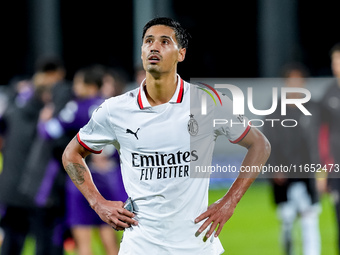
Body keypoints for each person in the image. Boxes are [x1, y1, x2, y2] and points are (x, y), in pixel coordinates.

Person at [62, 17, 271, 254]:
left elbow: (259, 145)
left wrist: (229, 201)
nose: (154, 46)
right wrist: (97, 203)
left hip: (197, 246)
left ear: (181, 54)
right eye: (148, 41)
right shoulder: (115, 110)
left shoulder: (206, 102)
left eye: (164, 41)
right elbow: (72, 154)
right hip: (140, 246)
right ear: (142, 52)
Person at [0, 56, 67, 255]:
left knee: (12, 241)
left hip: (11, 185)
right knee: (45, 242)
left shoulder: (15, 101)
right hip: (35, 188)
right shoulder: (46, 111)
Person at [263, 63, 321, 255]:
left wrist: (321, 171)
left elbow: (320, 143)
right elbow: (266, 143)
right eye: (291, 81)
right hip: (284, 176)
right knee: (287, 220)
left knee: (310, 219)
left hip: (308, 176)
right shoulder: (275, 111)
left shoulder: (314, 109)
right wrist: (273, 168)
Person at [319, 42, 340, 252]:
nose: (337, 65)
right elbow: (322, 135)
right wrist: (323, 170)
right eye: (335, 61)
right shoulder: (329, 95)